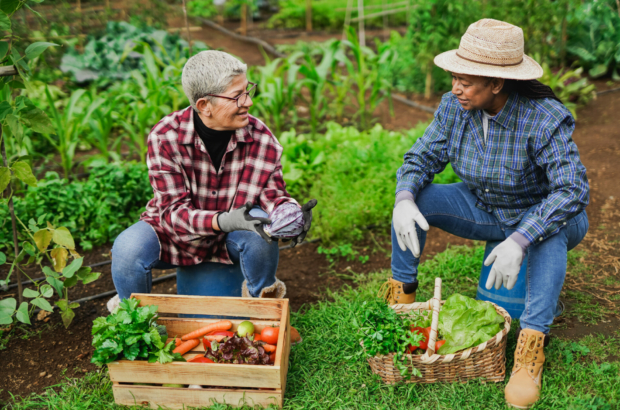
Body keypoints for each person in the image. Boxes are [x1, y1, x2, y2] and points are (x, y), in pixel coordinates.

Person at [383, 19, 589, 409]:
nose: (455, 88)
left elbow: (571, 190)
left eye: (466, 80)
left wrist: (521, 238)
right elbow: (421, 157)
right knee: (416, 201)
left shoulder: (543, 119)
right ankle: (403, 304)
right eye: (453, 78)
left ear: (497, 83)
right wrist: (404, 198)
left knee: (549, 234)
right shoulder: (453, 108)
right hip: (486, 207)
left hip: (543, 218)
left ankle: (530, 348)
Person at [108, 50, 316, 311]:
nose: (248, 102)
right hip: (176, 235)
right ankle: (134, 323)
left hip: (230, 238)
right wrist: (223, 220)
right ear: (204, 105)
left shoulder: (259, 136)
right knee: (128, 248)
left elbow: (271, 195)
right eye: (237, 96)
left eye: (248, 90)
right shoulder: (166, 137)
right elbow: (172, 213)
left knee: (260, 232)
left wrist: (290, 213)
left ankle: (266, 310)